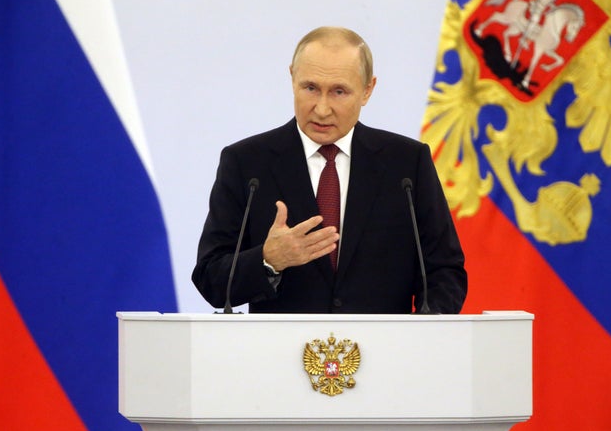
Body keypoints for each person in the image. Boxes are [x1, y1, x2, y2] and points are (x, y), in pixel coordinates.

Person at [192, 26, 467, 314]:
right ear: (292, 78)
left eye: (339, 92)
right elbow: (210, 278)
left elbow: (444, 272)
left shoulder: (408, 164)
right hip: (276, 355)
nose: (322, 109)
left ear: (367, 90)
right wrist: (268, 259)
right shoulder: (246, 163)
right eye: (310, 88)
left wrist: (423, 333)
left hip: (386, 354)